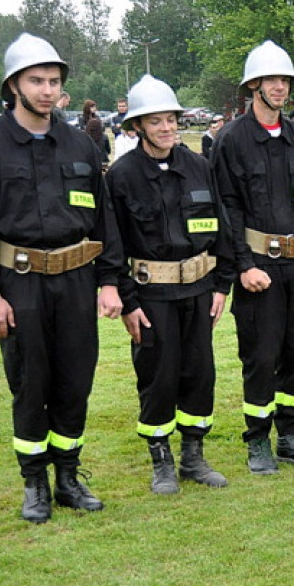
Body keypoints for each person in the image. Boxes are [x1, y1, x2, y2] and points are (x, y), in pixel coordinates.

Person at [0, 33, 123, 523]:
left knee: (75, 379)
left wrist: (109, 282)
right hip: (20, 283)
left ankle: (69, 477)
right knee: (29, 382)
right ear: (13, 85)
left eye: (54, 81)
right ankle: (34, 482)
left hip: (76, 280)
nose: (47, 90)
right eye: (36, 81)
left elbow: (103, 219)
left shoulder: (79, 143)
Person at [211, 40, 294, 474]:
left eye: (285, 80)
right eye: (271, 80)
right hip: (258, 269)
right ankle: (257, 441)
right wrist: (243, 266)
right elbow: (226, 210)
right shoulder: (231, 141)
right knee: (261, 356)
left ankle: (291, 437)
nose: (280, 87)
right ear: (254, 86)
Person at [107, 75, 234, 495]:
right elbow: (112, 244)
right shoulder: (122, 176)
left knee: (200, 373)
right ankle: (161, 460)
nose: (166, 128)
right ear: (137, 126)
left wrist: (222, 285)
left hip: (199, 291)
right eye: (155, 121)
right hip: (151, 296)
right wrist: (128, 302)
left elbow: (222, 229)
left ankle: (193, 456)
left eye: (171, 120)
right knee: (158, 376)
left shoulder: (199, 167)